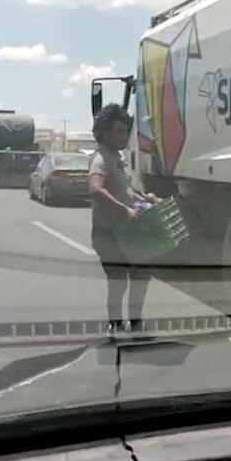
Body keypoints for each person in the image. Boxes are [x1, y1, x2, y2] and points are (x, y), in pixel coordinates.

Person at [88, 104, 157, 335]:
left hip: (128, 231)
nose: (123, 136)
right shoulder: (100, 159)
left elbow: (124, 189)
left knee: (141, 276)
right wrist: (122, 210)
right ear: (104, 132)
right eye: (118, 131)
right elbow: (96, 189)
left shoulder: (118, 157)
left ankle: (135, 323)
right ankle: (115, 325)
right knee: (118, 282)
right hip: (107, 232)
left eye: (125, 131)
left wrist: (142, 198)